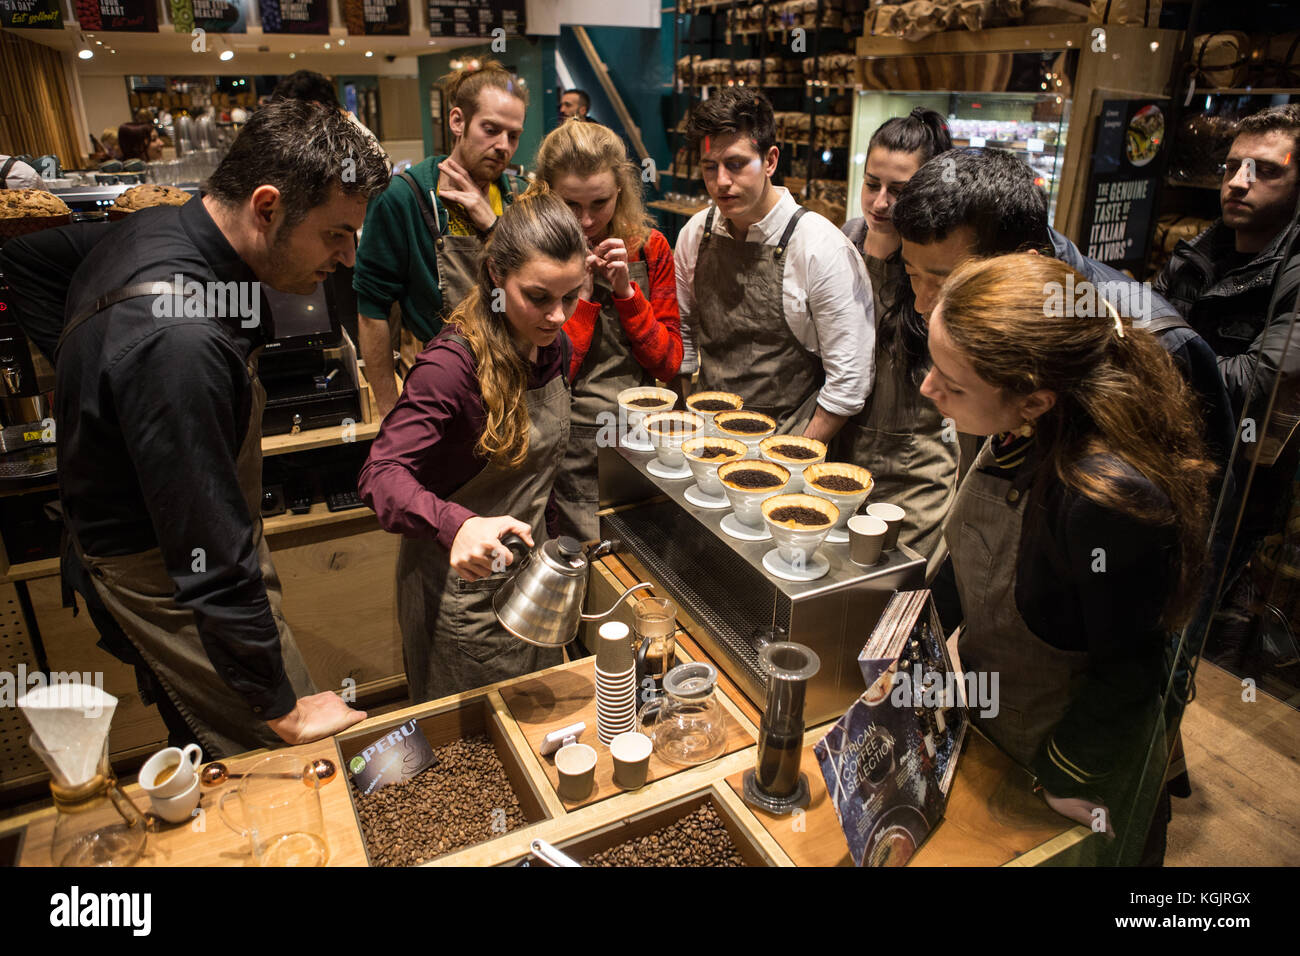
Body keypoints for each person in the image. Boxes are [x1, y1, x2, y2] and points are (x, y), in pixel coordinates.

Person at [43, 100, 388, 757]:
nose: (347, 258)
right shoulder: (178, 342)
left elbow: (31, 264)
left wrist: (90, 369)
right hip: (167, 570)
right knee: (272, 764)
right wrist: (278, 708)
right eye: (336, 234)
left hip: (194, 537)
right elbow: (209, 551)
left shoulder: (162, 226)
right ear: (266, 207)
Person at [923, 254, 1215, 864]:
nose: (929, 389)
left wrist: (1066, 780)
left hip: (1062, 750)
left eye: (952, 385)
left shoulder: (1104, 499)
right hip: (995, 716)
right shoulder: (1021, 425)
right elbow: (971, 553)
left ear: (1034, 400)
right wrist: (907, 646)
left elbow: (1132, 667)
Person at [358, 187, 587, 702]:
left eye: (570, 297)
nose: (557, 316)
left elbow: (539, 476)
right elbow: (380, 474)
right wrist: (455, 523)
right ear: (495, 278)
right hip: (460, 599)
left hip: (528, 584)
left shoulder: (553, 346)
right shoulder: (451, 368)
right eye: (538, 297)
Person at [892, 147, 1236, 483]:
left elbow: (1205, 498)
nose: (923, 303)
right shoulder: (961, 312)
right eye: (912, 274)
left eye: (948, 282)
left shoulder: (1149, 335)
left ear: (1026, 261)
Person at [673, 87, 874, 441]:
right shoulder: (695, 234)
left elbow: (849, 380)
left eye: (736, 165)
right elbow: (684, 333)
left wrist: (795, 454)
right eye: (710, 167)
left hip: (785, 445)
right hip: (705, 440)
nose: (721, 182)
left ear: (770, 160)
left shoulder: (820, 248)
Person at [1155, 104, 1300, 563]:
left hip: (1239, 513)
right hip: (1165, 477)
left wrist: (1153, 361)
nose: (1238, 182)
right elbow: (1118, 333)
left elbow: (1257, 385)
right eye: (1234, 167)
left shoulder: (1291, 276)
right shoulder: (1195, 254)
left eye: (1266, 171)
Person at [532, 120, 682, 542]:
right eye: (569, 205)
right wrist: (580, 296)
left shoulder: (651, 249)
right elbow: (547, 375)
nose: (585, 220)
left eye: (600, 203)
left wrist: (627, 293)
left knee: (638, 566)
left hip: (641, 439)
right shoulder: (532, 256)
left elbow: (668, 364)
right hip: (565, 442)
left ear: (622, 191)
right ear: (546, 193)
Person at [355, 61, 528, 418]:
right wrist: (389, 410)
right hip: (439, 394)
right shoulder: (404, 198)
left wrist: (492, 224)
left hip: (516, 385)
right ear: (457, 121)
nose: (503, 146)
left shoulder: (520, 198)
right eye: (491, 129)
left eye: (513, 136)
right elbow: (373, 309)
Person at [836, 108, 954, 558]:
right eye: (872, 185)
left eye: (899, 191)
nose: (880, 202)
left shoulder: (938, 267)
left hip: (912, 470)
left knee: (892, 605)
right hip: (843, 455)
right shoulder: (841, 243)